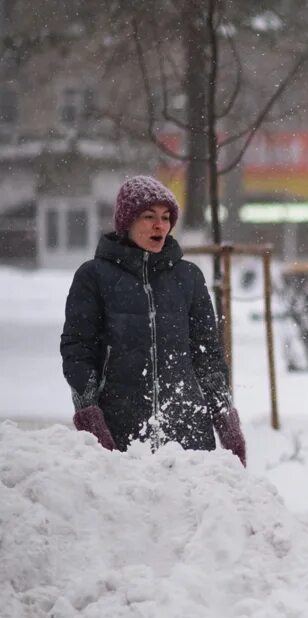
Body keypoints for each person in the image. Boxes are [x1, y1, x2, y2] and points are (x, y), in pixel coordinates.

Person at [60, 175, 246, 465]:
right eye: (149, 216)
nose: (160, 225)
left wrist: (226, 421)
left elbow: (207, 354)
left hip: (189, 435)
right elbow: (78, 351)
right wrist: (89, 415)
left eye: (166, 217)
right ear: (126, 222)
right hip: (121, 434)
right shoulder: (94, 276)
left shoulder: (189, 277)